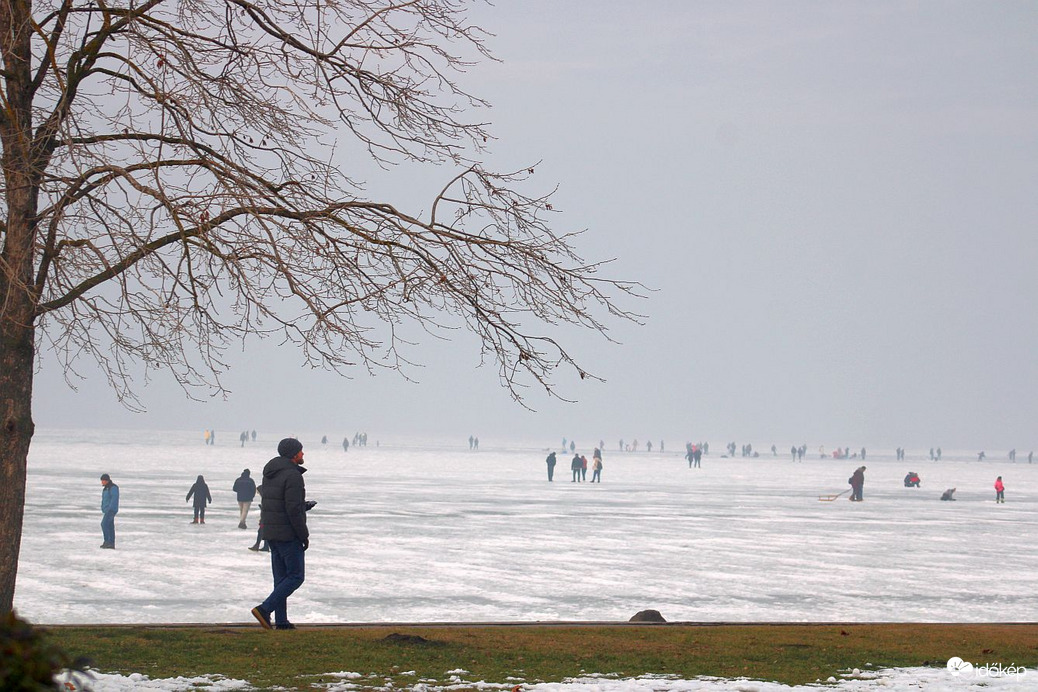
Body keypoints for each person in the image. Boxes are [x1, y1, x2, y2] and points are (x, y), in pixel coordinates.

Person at [252, 438, 310, 630]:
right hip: (288, 534)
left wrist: (303, 506)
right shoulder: (293, 476)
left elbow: (277, 503)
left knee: (281, 579)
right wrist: (303, 534)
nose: (303, 454)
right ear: (294, 454)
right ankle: (265, 609)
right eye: (301, 451)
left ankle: (282, 621)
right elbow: (292, 509)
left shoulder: (270, 473)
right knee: (295, 576)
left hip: (271, 532)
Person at [99, 473, 119, 549]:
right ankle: (111, 543)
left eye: (103, 481)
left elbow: (114, 498)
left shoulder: (113, 487)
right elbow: (105, 499)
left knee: (104, 524)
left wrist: (110, 508)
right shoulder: (106, 488)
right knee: (110, 526)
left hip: (111, 510)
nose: (102, 482)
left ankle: (107, 541)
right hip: (107, 510)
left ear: (106, 480)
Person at [249, 485, 269, 552]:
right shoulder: (266, 498)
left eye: (258, 492)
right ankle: (265, 546)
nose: (258, 493)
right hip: (266, 519)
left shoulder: (265, 499)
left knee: (261, 532)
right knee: (264, 532)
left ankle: (258, 545)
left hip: (265, 520)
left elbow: (266, 510)